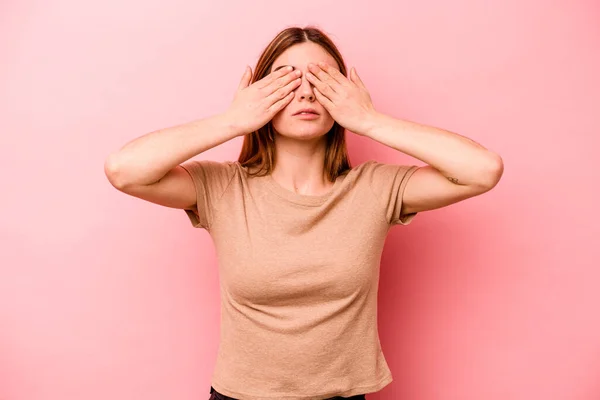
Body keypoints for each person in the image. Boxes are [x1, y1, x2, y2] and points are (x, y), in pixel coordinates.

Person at [104, 26, 503, 400]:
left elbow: (481, 171)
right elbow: (125, 170)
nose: (307, 94)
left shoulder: (375, 188)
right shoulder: (223, 187)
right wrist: (232, 122)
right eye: (288, 80)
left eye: (322, 80)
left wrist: (368, 120)